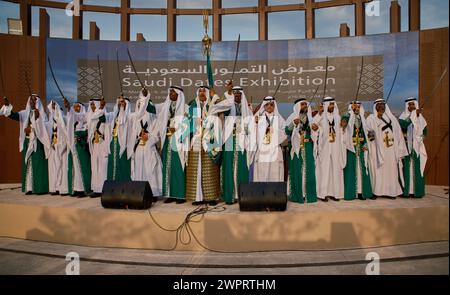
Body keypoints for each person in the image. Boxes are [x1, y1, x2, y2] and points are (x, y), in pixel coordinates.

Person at [212, 86, 255, 204]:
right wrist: (227, 94)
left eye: (239, 94)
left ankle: (242, 196)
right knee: (229, 168)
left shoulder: (247, 110)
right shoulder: (228, 106)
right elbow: (217, 108)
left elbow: (251, 127)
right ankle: (229, 196)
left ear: (242, 96)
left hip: (242, 140)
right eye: (235, 94)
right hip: (230, 139)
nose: (237, 95)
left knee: (241, 167)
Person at [1, 95, 50, 194]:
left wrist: (34, 124)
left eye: (34, 100)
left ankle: (39, 188)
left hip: (38, 143)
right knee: (28, 164)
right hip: (27, 142)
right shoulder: (24, 113)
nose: (32, 101)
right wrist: (7, 106)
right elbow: (12, 115)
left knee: (37, 165)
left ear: (38, 102)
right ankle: (29, 188)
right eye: (31, 99)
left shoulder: (42, 114)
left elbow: (45, 130)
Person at [186, 86, 222, 205]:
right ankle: (197, 197)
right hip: (196, 139)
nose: (202, 93)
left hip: (209, 139)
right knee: (196, 169)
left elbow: (221, 106)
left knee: (209, 167)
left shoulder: (211, 105)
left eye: (204, 91)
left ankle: (211, 197)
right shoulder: (192, 105)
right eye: (200, 91)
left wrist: (214, 96)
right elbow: (187, 121)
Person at [366, 99, 408, 199]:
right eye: (379, 105)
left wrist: (400, 150)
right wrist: (377, 121)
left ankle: (391, 192)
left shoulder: (392, 119)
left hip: (391, 150)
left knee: (391, 170)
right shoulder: (371, 118)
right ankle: (376, 191)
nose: (381, 106)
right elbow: (369, 133)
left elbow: (399, 135)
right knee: (378, 170)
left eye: (382, 104)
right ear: (375, 106)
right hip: (377, 150)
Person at [127, 88, 162, 198]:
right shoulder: (134, 119)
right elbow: (131, 132)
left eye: (143, 105)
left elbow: (158, 133)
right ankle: (139, 192)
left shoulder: (154, 118)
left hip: (149, 147)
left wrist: (149, 137)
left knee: (150, 169)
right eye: (139, 105)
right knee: (139, 168)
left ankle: (153, 193)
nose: (140, 108)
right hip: (138, 147)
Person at [285, 98, 318, 203]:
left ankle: (308, 195)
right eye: (302, 104)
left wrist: (315, 130)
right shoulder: (292, 117)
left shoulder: (310, 118)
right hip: (296, 148)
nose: (304, 106)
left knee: (309, 171)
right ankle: (297, 195)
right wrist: (294, 124)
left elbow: (314, 133)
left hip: (308, 146)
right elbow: (287, 131)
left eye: (305, 104)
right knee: (297, 171)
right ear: (298, 106)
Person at [315, 97, 346, 201]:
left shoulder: (338, 117)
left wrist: (343, 127)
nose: (332, 106)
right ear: (326, 105)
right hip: (325, 147)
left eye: (333, 104)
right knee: (324, 170)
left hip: (335, 146)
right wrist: (319, 114)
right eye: (330, 104)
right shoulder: (321, 116)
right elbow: (313, 125)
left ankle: (335, 193)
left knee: (335, 169)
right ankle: (323, 194)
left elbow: (341, 132)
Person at [341, 101, 374, 200]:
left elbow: (368, 133)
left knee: (363, 169)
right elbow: (343, 123)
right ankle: (351, 193)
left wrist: (366, 143)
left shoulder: (362, 119)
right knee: (352, 169)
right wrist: (350, 112)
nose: (357, 108)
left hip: (361, 147)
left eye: (359, 107)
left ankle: (362, 192)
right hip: (351, 147)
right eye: (355, 107)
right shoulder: (348, 117)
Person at [399, 97, 427, 198]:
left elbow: (425, 132)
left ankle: (417, 192)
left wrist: (420, 139)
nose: (411, 106)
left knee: (418, 169)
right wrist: (414, 115)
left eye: (413, 104)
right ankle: (406, 192)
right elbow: (404, 125)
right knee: (406, 169)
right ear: (407, 106)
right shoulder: (403, 117)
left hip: (417, 148)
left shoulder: (421, 118)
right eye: (409, 105)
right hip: (406, 147)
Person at [253, 96, 287, 182]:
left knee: (274, 172)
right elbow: (250, 131)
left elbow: (285, 131)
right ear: (264, 106)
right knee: (262, 171)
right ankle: (262, 192)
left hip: (274, 149)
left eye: (271, 105)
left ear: (274, 106)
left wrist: (274, 131)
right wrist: (255, 123)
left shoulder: (279, 117)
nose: (269, 106)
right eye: (267, 105)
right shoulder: (258, 117)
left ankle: (275, 193)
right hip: (262, 150)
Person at [64, 99, 91, 197]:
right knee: (75, 168)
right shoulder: (73, 122)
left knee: (82, 168)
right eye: (75, 107)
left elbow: (88, 133)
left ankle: (83, 189)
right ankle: (75, 189)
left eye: (78, 107)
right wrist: (68, 107)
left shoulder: (86, 121)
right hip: (73, 147)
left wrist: (81, 135)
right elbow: (73, 116)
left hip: (82, 147)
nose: (76, 108)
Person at [106, 95, 131, 181]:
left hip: (123, 144)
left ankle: (123, 185)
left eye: (123, 103)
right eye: (119, 104)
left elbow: (123, 120)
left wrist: (123, 108)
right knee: (112, 162)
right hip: (113, 141)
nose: (121, 105)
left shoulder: (129, 116)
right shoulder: (113, 116)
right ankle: (112, 185)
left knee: (122, 164)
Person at [46, 100, 69, 195]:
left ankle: (63, 189)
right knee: (53, 168)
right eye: (52, 107)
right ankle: (54, 188)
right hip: (53, 147)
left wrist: (61, 145)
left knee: (63, 168)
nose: (53, 109)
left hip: (62, 147)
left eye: (55, 107)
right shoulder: (50, 122)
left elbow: (64, 132)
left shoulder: (63, 119)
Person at [86, 98, 108, 197]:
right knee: (95, 167)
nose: (92, 107)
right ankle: (96, 188)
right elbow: (91, 122)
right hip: (95, 144)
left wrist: (102, 108)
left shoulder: (104, 115)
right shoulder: (92, 116)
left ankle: (103, 189)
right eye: (91, 105)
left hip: (103, 144)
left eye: (94, 105)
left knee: (103, 167)